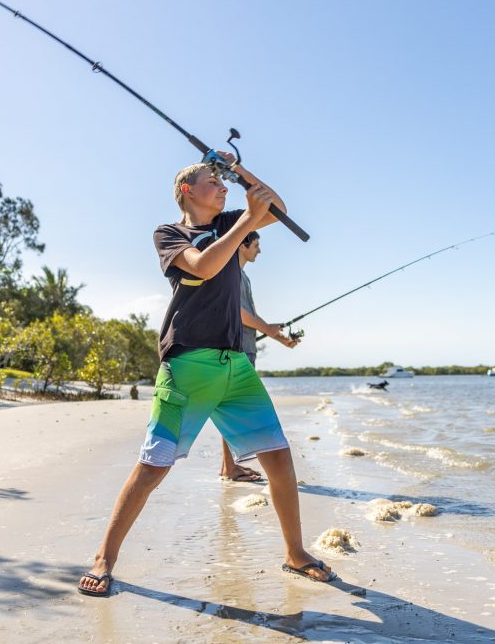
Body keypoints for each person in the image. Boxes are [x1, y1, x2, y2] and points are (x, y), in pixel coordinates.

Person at [78, 155, 334, 596]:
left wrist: (240, 171)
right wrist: (245, 222)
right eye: (213, 181)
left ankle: (295, 553)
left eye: (224, 182)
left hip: (235, 364)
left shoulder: (235, 218)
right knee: (152, 467)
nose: (224, 189)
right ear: (187, 191)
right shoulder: (171, 234)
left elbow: (279, 208)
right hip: (187, 364)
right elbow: (203, 267)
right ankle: (104, 559)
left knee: (279, 458)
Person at [219, 230, 299, 483]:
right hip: (237, 349)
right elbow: (239, 313)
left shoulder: (244, 277)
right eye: (256, 245)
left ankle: (228, 466)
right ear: (242, 244)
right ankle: (231, 468)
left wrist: (282, 339)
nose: (259, 250)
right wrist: (269, 329)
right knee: (235, 409)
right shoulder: (230, 273)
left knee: (231, 408)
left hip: (245, 348)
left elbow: (252, 318)